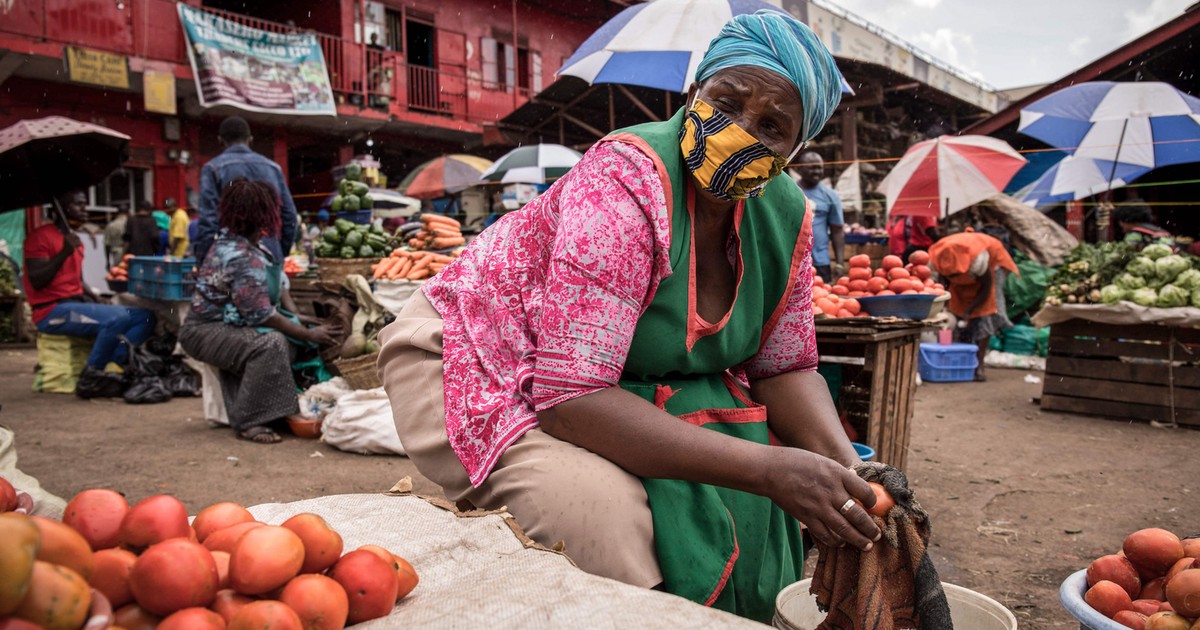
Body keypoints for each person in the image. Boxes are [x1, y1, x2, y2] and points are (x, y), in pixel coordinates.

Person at [377, 12, 880, 622]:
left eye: (771, 126)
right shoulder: (625, 181)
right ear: (695, 93)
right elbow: (572, 398)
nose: (738, 130)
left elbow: (783, 368)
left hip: (616, 380)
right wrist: (771, 469)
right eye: (726, 100)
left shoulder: (786, 216)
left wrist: (859, 478)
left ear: (794, 150)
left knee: (754, 489)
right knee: (602, 517)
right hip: (479, 356)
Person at [180, 180, 339, 444]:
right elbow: (261, 315)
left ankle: (268, 410)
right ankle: (251, 420)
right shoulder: (240, 254)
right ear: (265, 214)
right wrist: (309, 334)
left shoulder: (252, 247)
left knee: (286, 341)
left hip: (228, 325)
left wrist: (298, 317)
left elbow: (278, 283)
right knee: (270, 344)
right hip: (203, 331)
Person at [24, 191, 156, 390]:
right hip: (52, 313)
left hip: (76, 305)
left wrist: (96, 298)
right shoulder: (40, 237)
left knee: (145, 317)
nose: (85, 210)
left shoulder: (74, 239)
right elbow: (37, 281)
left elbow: (77, 279)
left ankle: (116, 363)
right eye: (79, 205)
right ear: (63, 209)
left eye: (85, 205)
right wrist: (63, 254)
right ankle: (92, 374)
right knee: (117, 318)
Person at [195, 116, 298, 266]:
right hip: (270, 256)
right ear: (250, 139)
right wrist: (280, 251)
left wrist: (203, 260)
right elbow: (290, 216)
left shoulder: (212, 169)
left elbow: (208, 221)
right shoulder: (274, 168)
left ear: (220, 141)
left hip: (231, 259)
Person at [928, 229, 1018, 382]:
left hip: (991, 266)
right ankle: (963, 357)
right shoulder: (935, 258)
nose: (954, 278)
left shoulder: (979, 261)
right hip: (965, 268)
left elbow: (986, 288)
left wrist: (969, 311)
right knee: (955, 307)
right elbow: (940, 285)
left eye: (955, 275)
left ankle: (979, 364)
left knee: (986, 315)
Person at [792, 151, 843, 282]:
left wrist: (840, 263)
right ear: (799, 168)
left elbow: (837, 230)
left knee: (823, 299)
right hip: (792, 260)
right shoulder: (789, 190)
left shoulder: (831, 195)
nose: (817, 171)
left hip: (820, 261)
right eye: (812, 167)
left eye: (819, 167)